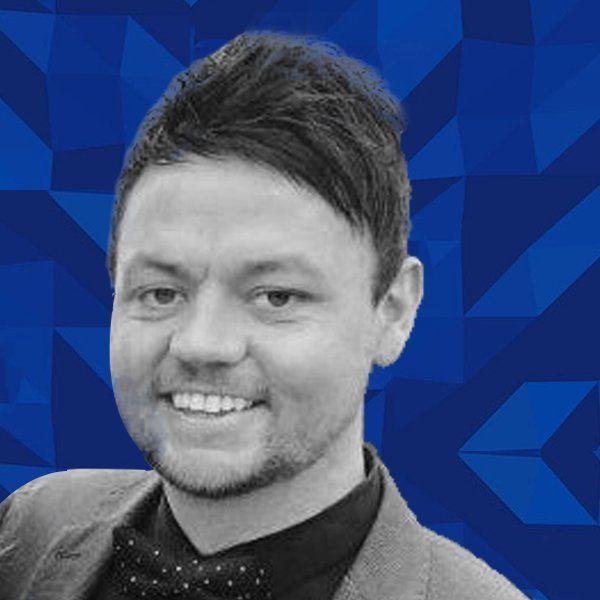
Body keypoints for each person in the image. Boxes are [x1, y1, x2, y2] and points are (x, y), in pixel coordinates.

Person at [0, 32, 527, 600]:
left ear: (393, 311)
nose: (202, 344)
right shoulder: (30, 531)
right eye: (161, 293)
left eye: (276, 296)